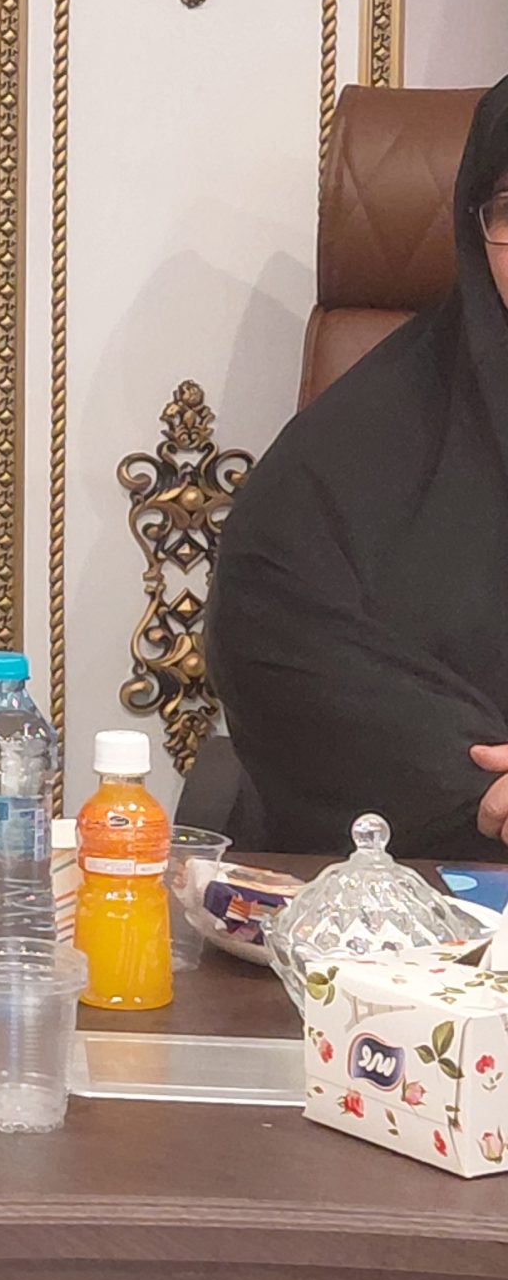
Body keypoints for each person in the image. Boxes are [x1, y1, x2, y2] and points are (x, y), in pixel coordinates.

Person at [210, 74, 508, 860]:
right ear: (475, 225)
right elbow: (274, 631)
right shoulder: (364, 436)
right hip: (409, 882)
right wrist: (474, 783)